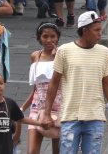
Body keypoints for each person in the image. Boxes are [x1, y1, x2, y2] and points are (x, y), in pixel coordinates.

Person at [42, 11, 108, 154]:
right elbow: (54, 83)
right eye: (96, 30)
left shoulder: (104, 52)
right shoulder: (64, 51)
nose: (100, 34)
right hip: (70, 117)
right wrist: (47, 113)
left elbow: (107, 84)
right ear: (85, 31)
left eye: (100, 30)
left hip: (95, 116)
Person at [22, 22, 62, 154]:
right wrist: (22, 108)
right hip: (37, 107)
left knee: (58, 150)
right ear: (39, 38)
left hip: (58, 106)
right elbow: (35, 88)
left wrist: (58, 57)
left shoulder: (62, 56)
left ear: (58, 38)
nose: (49, 40)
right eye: (45, 36)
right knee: (32, 151)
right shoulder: (35, 56)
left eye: (53, 36)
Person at [0, 73, 38, 154]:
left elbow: (21, 119)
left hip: (6, 149)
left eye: (1, 83)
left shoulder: (10, 103)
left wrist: (40, 123)